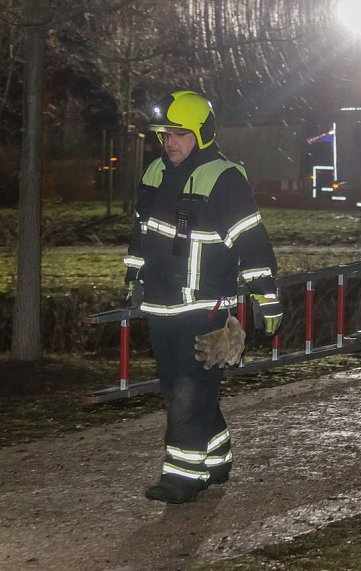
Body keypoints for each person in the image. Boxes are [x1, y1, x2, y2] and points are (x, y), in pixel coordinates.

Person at [123, 90, 283, 503]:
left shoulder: (225, 179)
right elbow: (142, 233)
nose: (171, 142)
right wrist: (133, 277)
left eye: (180, 133)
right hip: (161, 304)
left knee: (189, 392)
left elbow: (252, 243)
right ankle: (217, 455)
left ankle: (183, 477)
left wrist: (266, 299)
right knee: (178, 389)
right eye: (166, 134)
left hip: (205, 307)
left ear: (202, 133)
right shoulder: (155, 173)